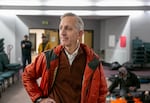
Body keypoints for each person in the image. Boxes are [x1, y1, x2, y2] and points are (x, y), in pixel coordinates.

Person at [22, 12, 108, 103]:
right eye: (61, 28)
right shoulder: (48, 57)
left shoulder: (93, 61)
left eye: (68, 28)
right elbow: (27, 75)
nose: (62, 33)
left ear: (80, 34)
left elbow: (101, 92)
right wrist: (39, 99)